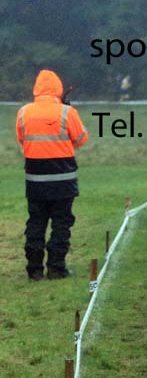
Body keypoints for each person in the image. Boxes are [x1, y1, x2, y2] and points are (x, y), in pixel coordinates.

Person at [16, 69, 88, 281]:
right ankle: (56, 268)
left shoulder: (23, 112)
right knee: (61, 223)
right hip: (63, 181)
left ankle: (35, 269)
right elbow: (82, 139)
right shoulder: (67, 113)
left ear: (36, 89)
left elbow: (23, 139)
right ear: (58, 88)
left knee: (36, 222)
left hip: (35, 181)